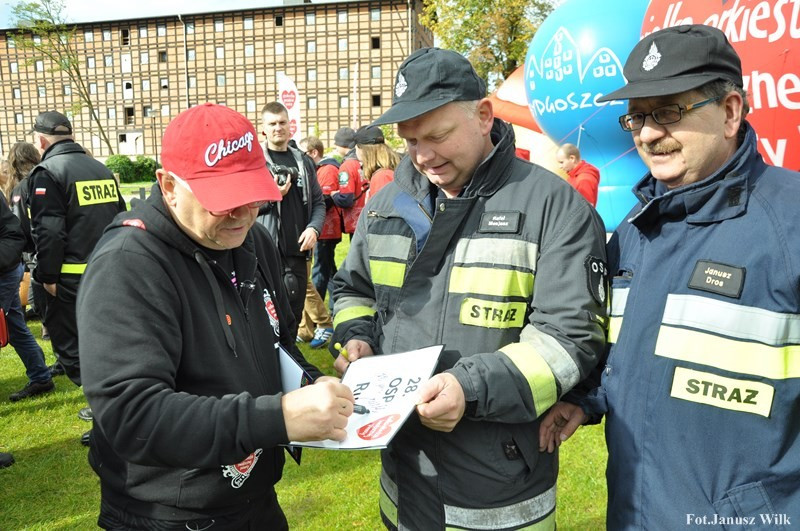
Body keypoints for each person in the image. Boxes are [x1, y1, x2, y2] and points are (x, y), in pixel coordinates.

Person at [330, 48, 608, 530]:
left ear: (484, 116)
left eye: (437, 136)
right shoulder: (387, 203)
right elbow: (353, 287)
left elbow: (568, 340)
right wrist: (357, 336)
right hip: (403, 474)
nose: (423, 156)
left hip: (496, 485)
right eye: (410, 140)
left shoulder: (554, 206)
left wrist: (469, 387)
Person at [539, 24, 800, 527]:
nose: (648, 134)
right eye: (637, 117)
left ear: (730, 112)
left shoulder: (791, 223)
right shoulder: (637, 230)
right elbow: (630, 345)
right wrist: (586, 397)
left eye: (669, 112)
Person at [77, 103, 355, 529]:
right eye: (223, 199)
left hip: (255, 497)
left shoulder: (252, 242)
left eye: (252, 195)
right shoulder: (128, 263)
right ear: (169, 186)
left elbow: (273, 343)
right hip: (170, 512)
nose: (244, 214)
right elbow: (131, 416)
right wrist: (277, 417)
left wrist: (312, 385)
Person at [28, 111, 126, 394]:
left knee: (74, 351)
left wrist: (46, 277)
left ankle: (105, 409)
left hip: (69, 281)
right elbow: (120, 218)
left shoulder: (48, 173)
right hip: (108, 272)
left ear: (41, 141)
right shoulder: (100, 169)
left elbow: (48, 231)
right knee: (107, 343)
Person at [256, 102, 325, 337]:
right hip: (262, 251)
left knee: (293, 315)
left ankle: (291, 365)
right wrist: (273, 196)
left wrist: (314, 229)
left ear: (290, 126)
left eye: (282, 122)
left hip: (296, 251)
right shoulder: (255, 162)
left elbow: (318, 202)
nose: (278, 128)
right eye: (272, 123)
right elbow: (244, 208)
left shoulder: (303, 162)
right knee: (263, 316)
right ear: (263, 129)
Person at [1, 191, 54, 401]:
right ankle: (41, 376)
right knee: (14, 327)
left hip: (5, 270)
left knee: (12, 328)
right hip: (8, 267)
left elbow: (13, 232)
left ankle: (41, 376)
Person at [296, 135, 338, 347]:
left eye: (304, 153)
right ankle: (305, 328)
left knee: (308, 280)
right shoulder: (306, 169)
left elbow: (320, 202)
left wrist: (313, 227)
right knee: (307, 279)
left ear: (312, 153)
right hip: (309, 231)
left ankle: (324, 322)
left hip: (319, 231)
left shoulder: (323, 170)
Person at [7, 142, 49, 345]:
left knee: (37, 295)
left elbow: (19, 225)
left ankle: (48, 329)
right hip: (53, 246)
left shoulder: (20, 189)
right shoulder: (46, 178)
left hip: (35, 253)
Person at [353, 125, 400, 202]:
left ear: (362, 149)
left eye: (356, 147)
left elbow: (383, 210)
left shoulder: (382, 176)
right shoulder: (385, 173)